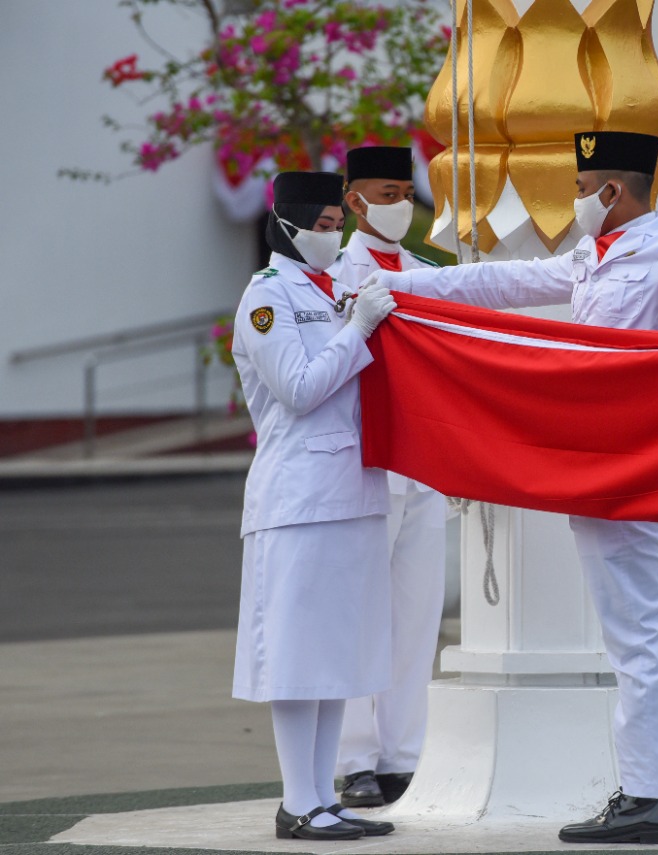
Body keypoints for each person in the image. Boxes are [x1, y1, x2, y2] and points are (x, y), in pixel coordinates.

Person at [359, 130, 658, 845]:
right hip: (597, 463)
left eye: (581, 186)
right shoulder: (596, 254)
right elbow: (496, 283)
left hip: (630, 464)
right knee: (644, 626)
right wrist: (402, 287)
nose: (574, 199)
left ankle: (651, 797)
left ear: (613, 193)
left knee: (637, 633)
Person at [230, 171, 399, 841]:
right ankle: (297, 800)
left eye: (338, 224)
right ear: (290, 228)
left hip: (352, 493)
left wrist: (354, 319)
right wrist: (357, 329)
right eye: (325, 226)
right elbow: (300, 389)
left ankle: (323, 798)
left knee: (337, 656)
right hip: (296, 500)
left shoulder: (330, 292)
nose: (335, 236)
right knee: (300, 659)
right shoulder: (267, 299)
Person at [329, 145, 450, 809]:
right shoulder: (335, 277)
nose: (401, 204)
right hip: (364, 460)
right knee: (361, 615)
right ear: (353, 200)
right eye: (386, 191)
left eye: (406, 189)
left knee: (415, 612)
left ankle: (403, 754)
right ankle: (355, 758)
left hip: (422, 460)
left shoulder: (425, 271)